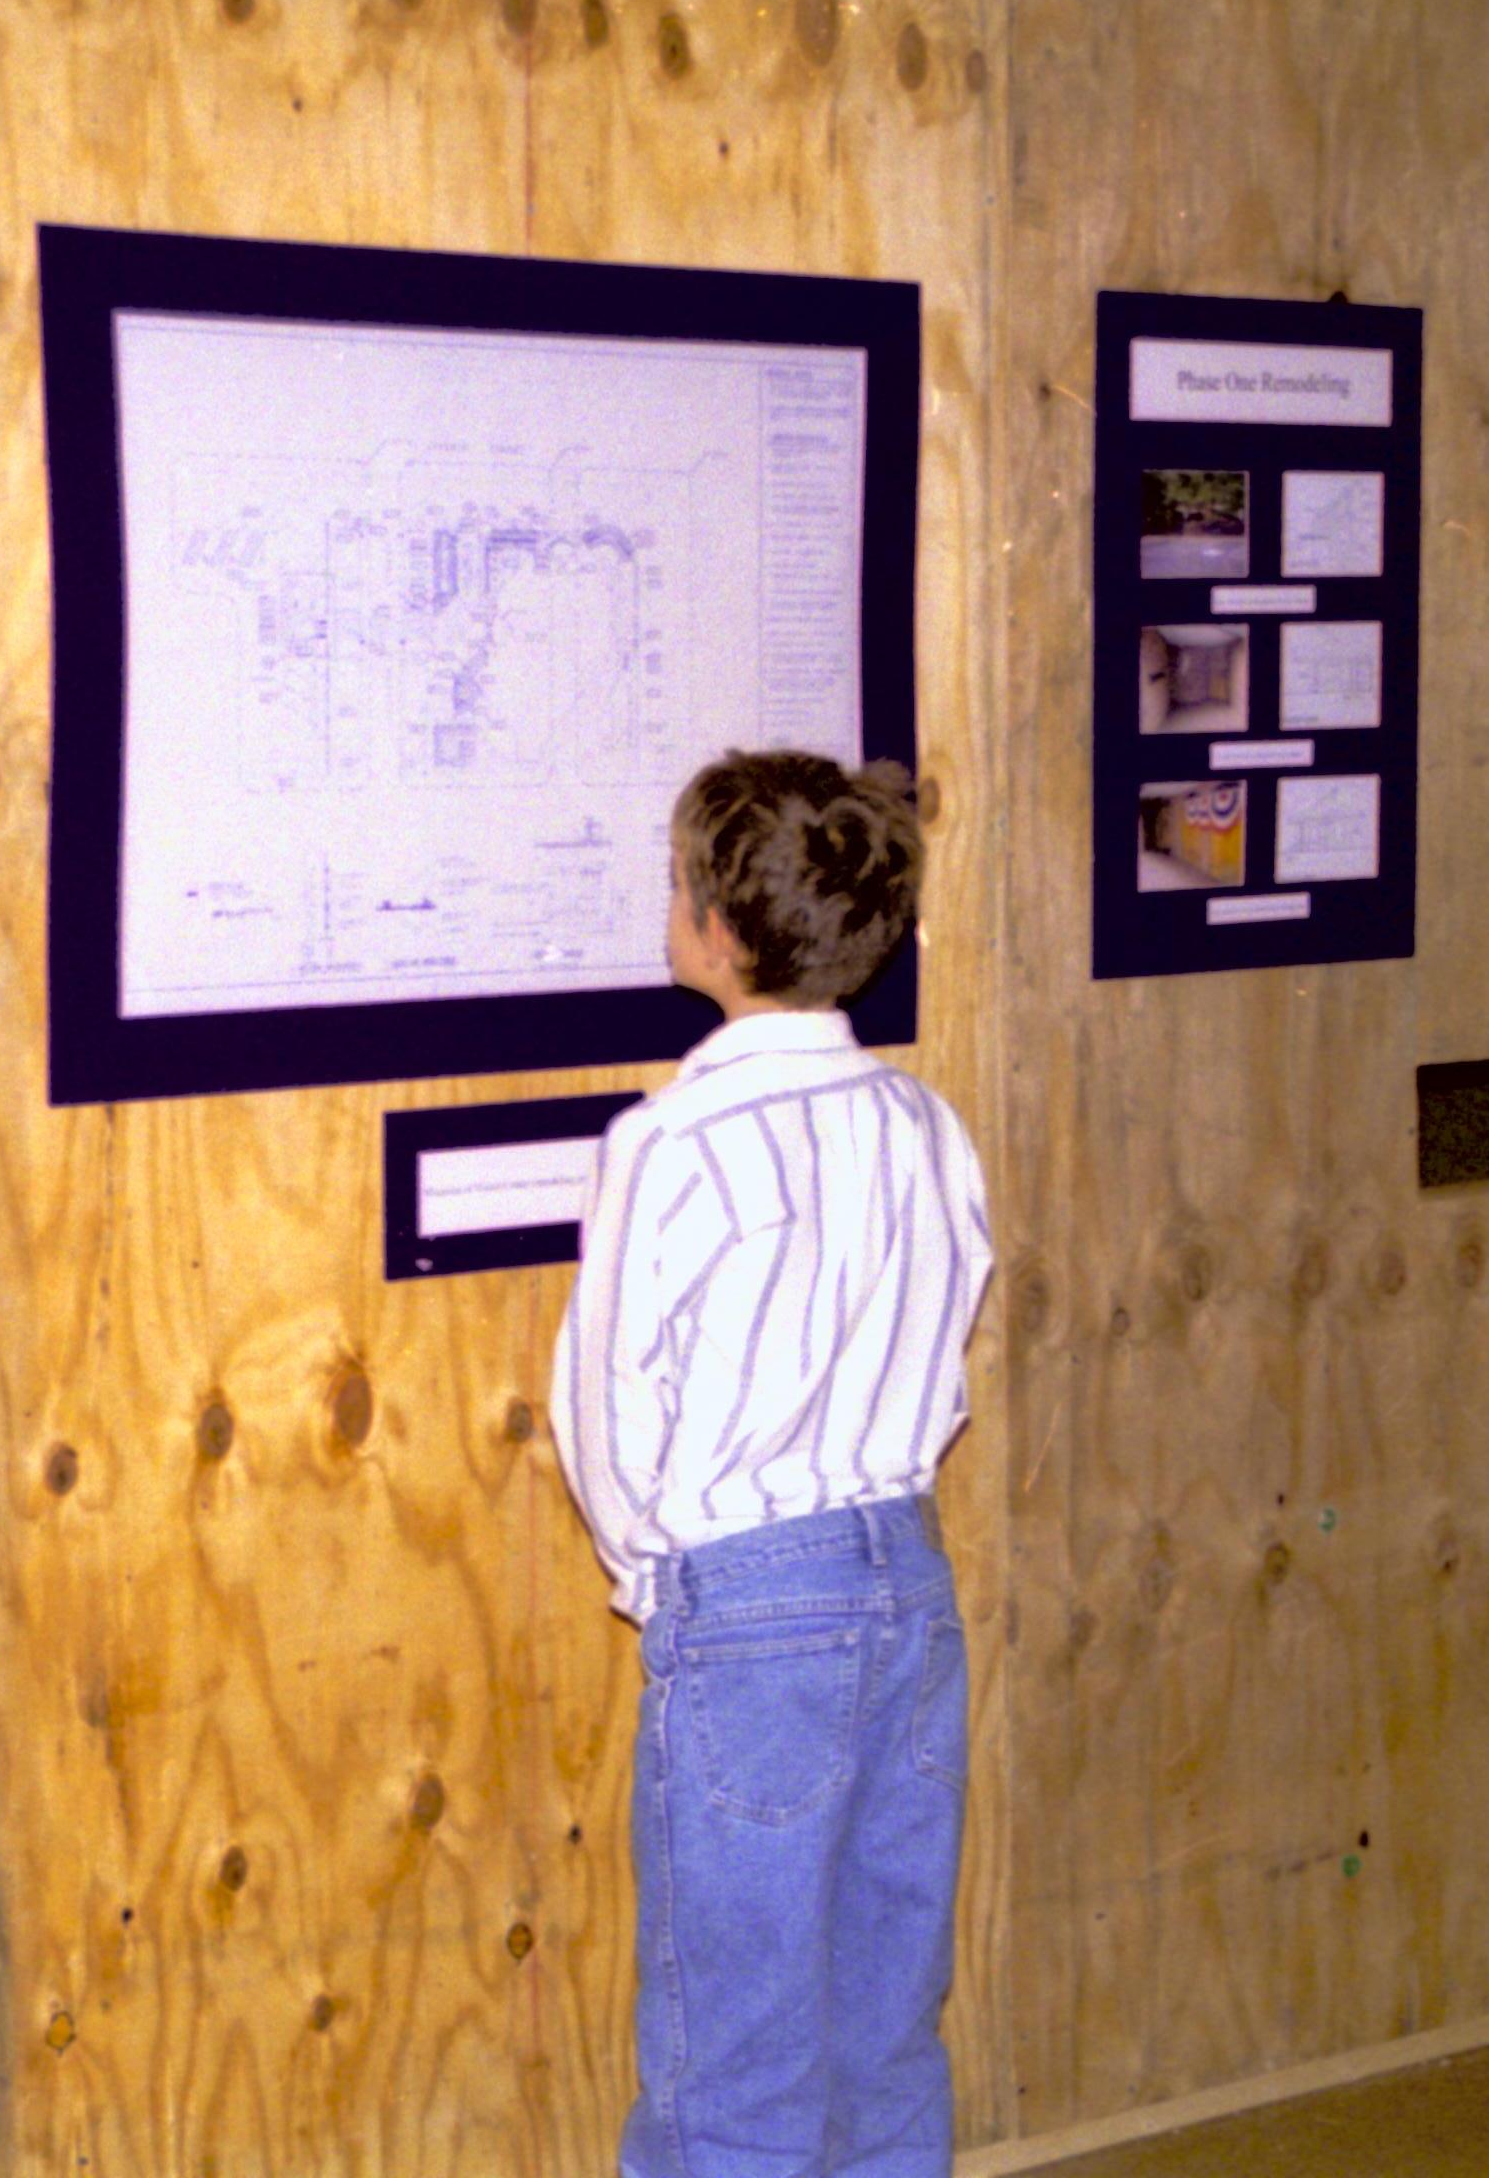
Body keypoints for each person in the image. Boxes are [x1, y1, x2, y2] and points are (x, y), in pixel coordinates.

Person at [552, 747, 993, 2178]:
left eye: (678, 881)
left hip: (746, 1614)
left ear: (717, 929)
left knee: (729, 2052)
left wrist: (664, 1582)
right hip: (907, 1586)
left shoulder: (670, 1141)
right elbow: (953, 1330)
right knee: (882, 2022)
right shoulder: (926, 1127)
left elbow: (605, 1420)